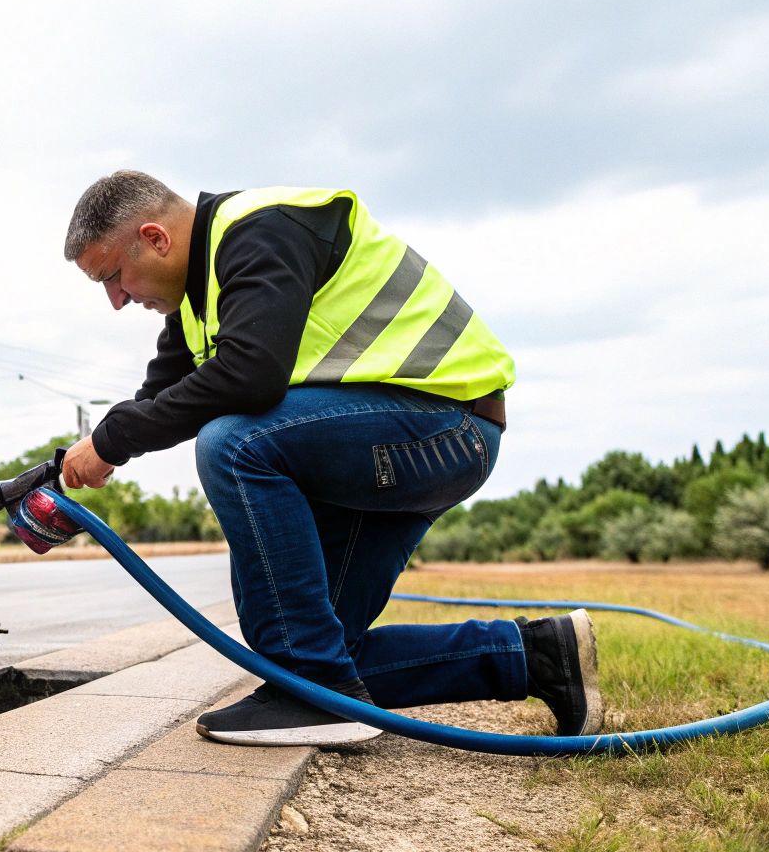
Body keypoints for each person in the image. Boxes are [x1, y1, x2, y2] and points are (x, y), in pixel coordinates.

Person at [56, 171, 601, 747]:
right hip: (384, 442)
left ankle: (313, 690)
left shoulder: (259, 233)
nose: (116, 300)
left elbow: (248, 377)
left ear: (156, 237)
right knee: (310, 647)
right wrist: (78, 458)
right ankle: (536, 656)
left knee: (232, 442)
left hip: (445, 426)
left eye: (112, 276)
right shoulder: (198, 300)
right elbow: (161, 394)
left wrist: (113, 440)